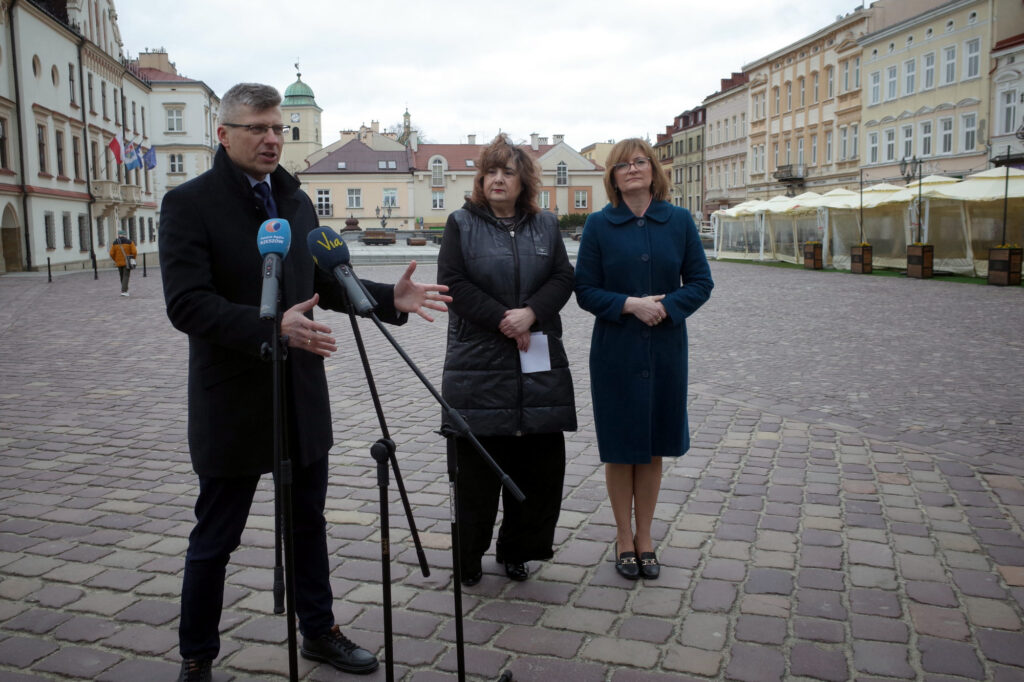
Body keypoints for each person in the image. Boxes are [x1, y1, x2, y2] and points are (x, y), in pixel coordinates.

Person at [158, 83, 450, 682]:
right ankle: (197, 656)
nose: (271, 138)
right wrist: (271, 327)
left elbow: (321, 276)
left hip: (299, 389)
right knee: (216, 534)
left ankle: (319, 631)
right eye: (257, 128)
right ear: (224, 134)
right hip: (232, 394)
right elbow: (186, 304)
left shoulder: (294, 199)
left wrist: (385, 297)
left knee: (308, 523)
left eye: (277, 128)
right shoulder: (189, 203)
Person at [437, 134, 576, 586]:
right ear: (481, 180)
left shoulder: (546, 225)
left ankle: (519, 548)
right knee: (477, 473)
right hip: (478, 365)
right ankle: (469, 556)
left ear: (524, 182)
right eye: (491, 172)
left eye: (508, 172)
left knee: (537, 468)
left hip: (537, 362)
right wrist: (504, 319)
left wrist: (532, 313)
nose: (498, 179)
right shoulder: (461, 223)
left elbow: (562, 277)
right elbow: (452, 282)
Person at [574, 138, 713, 581]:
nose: (632, 169)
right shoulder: (599, 224)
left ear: (653, 170)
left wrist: (667, 307)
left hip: (665, 346)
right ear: (612, 176)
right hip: (615, 349)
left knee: (651, 447)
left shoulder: (679, 221)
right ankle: (622, 537)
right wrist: (629, 304)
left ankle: (646, 537)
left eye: (640, 162)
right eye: (622, 164)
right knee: (621, 449)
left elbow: (700, 282)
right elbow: (584, 289)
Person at [109, 230, 137, 296]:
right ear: (125, 235)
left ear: (119, 235)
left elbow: (111, 253)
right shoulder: (129, 242)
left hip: (118, 262)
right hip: (127, 262)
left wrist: (115, 260)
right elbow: (134, 252)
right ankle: (124, 291)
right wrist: (133, 258)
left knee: (121, 276)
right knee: (126, 276)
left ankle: (124, 289)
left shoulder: (115, 242)